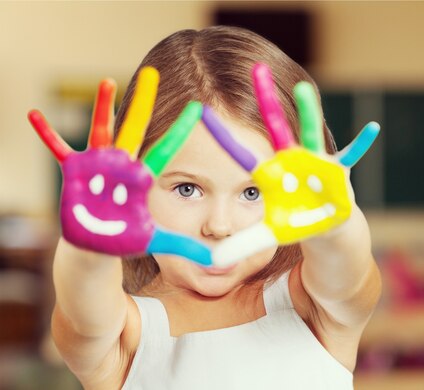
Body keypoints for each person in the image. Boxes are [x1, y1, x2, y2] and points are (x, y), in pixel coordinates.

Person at [47, 26, 381, 389]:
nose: (219, 226)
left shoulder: (314, 308)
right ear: (136, 193)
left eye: (252, 193)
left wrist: (336, 225)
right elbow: (83, 304)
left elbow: (346, 271)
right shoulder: (122, 339)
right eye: (187, 189)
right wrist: (88, 245)